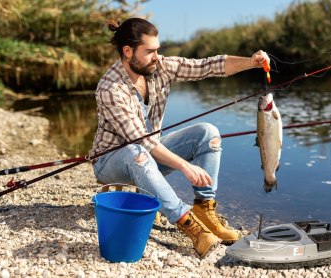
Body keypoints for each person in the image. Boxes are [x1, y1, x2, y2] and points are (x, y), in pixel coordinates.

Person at [89, 18, 270, 259]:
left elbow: (208, 66)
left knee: (208, 132)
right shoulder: (110, 88)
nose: (156, 56)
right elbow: (141, 139)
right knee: (137, 152)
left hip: (149, 155)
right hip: (111, 162)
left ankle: (205, 209)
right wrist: (185, 165)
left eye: (158, 50)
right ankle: (189, 224)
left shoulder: (160, 67)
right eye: (150, 51)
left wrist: (251, 62)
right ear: (128, 51)